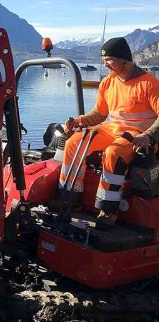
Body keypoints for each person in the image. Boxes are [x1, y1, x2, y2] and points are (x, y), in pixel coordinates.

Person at [58, 37, 159, 227]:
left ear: (124, 59)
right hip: (112, 129)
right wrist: (80, 121)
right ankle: (69, 197)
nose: (105, 64)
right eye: (104, 60)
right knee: (74, 142)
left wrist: (149, 135)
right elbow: (99, 114)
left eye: (109, 60)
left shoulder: (149, 83)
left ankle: (108, 210)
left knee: (113, 153)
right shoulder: (107, 82)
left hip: (140, 134)